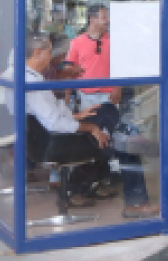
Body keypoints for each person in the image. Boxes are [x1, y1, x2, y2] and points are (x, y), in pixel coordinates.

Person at [13, 33, 159, 219]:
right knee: (120, 144)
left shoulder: (26, 77)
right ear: (38, 53)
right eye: (50, 52)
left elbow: (48, 115)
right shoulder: (32, 84)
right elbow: (54, 122)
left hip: (45, 137)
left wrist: (75, 115)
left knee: (105, 110)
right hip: (54, 142)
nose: (53, 57)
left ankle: (77, 187)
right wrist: (91, 128)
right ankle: (136, 202)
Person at [66, 4, 118, 110]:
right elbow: (68, 69)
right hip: (86, 97)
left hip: (109, 95)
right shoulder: (76, 42)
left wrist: (118, 88)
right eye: (104, 17)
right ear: (93, 19)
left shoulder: (113, 41)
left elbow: (120, 67)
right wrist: (67, 95)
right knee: (88, 124)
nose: (108, 21)